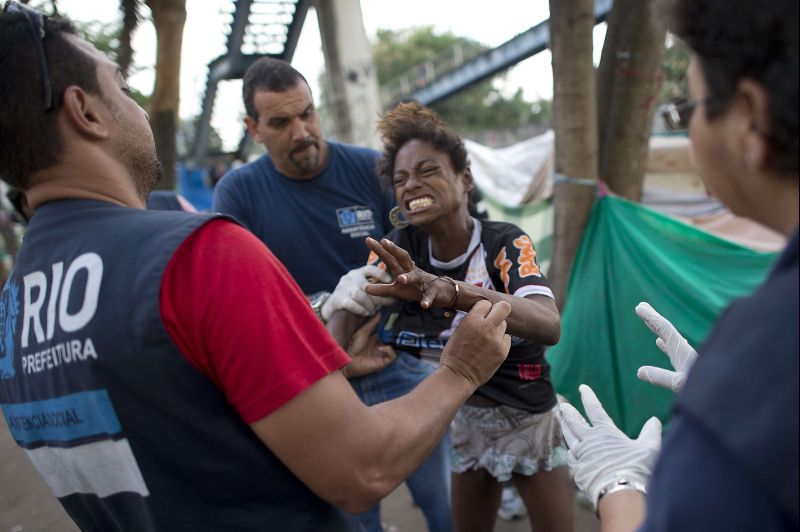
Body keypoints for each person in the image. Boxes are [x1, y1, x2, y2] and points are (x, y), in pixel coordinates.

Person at [0, 4, 513, 530]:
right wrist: (461, 369)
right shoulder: (203, 253)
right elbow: (362, 469)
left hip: (373, 364)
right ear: (85, 111)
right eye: (123, 89)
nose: (138, 108)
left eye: (306, 112)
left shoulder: (12, 316)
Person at [558, 0, 798, 530]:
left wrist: (617, 485)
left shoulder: (767, 347)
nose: (688, 132)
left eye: (688, 109)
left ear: (751, 119)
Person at [212, 57, 454, 531]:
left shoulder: (371, 170)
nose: (301, 131)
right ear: (253, 128)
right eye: (281, 122)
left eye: (307, 113)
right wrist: (327, 305)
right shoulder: (238, 194)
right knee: (354, 517)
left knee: (444, 504)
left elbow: (420, 250)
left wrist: (388, 276)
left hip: (396, 360)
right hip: (315, 384)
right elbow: (242, 307)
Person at [351, 102, 574, 532]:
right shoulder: (402, 248)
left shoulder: (503, 243)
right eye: (400, 179)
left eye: (427, 170)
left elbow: (549, 324)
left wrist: (453, 291)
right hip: (466, 420)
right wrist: (346, 324)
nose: (411, 184)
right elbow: (357, 310)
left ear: (465, 179)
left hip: (529, 415)